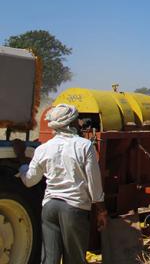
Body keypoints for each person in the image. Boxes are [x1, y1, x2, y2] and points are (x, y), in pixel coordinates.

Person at [16, 104, 108, 264]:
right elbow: (94, 184)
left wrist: (22, 161)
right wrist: (101, 211)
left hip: (50, 208)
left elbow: (30, 180)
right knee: (74, 260)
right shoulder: (85, 146)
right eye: (76, 121)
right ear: (70, 124)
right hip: (74, 209)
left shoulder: (43, 149)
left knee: (50, 259)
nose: (79, 124)